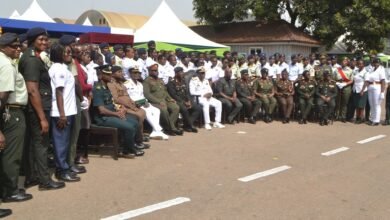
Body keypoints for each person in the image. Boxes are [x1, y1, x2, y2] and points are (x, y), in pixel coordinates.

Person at [19, 28, 65, 191]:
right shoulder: (32, 59)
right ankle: (45, 180)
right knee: (41, 144)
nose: (44, 42)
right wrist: (42, 118)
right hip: (38, 108)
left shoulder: (36, 57)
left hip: (38, 107)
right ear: (32, 40)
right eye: (41, 39)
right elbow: (32, 89)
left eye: (46, 40)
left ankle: (32, 177)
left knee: (33, 143)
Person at [0, 33, 33, 204]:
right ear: (3, 47)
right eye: (14, 46)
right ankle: (10, 191)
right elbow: (2, 96)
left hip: (9, 111)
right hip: (12, 112)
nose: (18, 48)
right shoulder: (6, 65)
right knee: (12, 154)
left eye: (19, 45)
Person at [93, 66, 144, 157]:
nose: (110, 76)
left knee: (135, 122)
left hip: (112, 114)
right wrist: (116, 114)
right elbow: (102, 110)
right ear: (100, 75)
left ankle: (128, 145)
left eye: (110, 74)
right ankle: (128, 150)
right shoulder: (98, 89)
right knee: (129, 127)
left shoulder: (106, 88)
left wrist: (121, 109)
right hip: (103, 118)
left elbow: (112, 102)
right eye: (107, 74)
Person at [48, 43, 80, 182]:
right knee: (61, 143)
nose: (68, 54)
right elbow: (59, 92)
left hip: (68, 110)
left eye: (69, 52)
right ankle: (61, 170)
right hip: (62, 112)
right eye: (65, 52)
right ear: (58, 54)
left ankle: (65, 166)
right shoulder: (58, 69)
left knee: (65, 142)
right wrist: (62, 114)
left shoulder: (62, 68)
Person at [107, 66, 150, 149]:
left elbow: (127, 96)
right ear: (112, 74)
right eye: (119, 72)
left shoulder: (121, 84)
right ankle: (135, 141)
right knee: (138, 116)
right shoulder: (111, 84)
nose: (122, 73)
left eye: (122, 71)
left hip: (129, 105)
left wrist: (133, 104)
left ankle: (138, 140)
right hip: (120, 107)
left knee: (142, 112)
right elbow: (116, 99)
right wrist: (130, 105)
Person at [124, 67, 169, 140]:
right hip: (134, 104)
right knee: (147, 112)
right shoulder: (127, 84)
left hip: (142, 102)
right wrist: (140, 103)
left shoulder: (140, 84)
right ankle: (158, 130)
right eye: (134, 73)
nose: (137, 74)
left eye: (138, 73)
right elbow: (128, 97)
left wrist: (145, 102)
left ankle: (155, 132)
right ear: (130, 74)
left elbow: (142, 96)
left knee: (156, 110)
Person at [143, 62, 183, 136]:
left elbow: (165, 91)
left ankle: (169, 127)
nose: (155, 72)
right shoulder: (146, 81)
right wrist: (158, 101)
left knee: (176, 107)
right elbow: (147, 94)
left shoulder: (160, 80)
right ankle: (171, 128)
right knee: (164, 110)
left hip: (164, 100)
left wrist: (170, 99)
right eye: (153, 70)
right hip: (154, 101)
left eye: (156, 70)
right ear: (149, 71)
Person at [167, 67, 201, 132]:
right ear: (176, 73)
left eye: (182, 72)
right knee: (184, 109)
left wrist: (188, 100)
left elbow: (186, 92)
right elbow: (173, 95)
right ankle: (190, 125)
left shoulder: (183, 81)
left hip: (185, 100)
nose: (182, 73)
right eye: (180, 72)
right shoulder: (171, 82)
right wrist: (184, 102)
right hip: (177, 101)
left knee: (198, 108)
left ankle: (187, 125)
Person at [361, 58, 386, 126]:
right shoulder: (371, 70)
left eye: (377, 63)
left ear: (379, 63)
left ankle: (376, 120)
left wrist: (382, 92)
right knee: (371, 104)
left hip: (377, 87)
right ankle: (372, 119)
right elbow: (367, 80)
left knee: (376, 104)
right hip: (370, 87)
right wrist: (363, 89)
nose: (375, 64)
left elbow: (383, 81)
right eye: (374, 63)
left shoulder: (381, 69)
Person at [334, 57, 353, 122]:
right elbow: (333, 79)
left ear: (347, 62)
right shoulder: (336, 70)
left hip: (346, 87)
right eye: (342, 61)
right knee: (338, 101)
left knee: (345, 102)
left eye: (345, 61)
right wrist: (337, 83)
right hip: (338, 86)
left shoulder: (350, 70)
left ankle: (343, 116)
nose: (343, 62)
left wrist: (345, 84)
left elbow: (352, 80)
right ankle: (337, 115)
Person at [351, 60, 368, 124]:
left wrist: (362, 90)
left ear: (363, 65)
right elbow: (353, 79)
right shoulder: (355, 71)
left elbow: (366, 82)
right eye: (358, 64)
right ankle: (358, 117)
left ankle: (361, 118)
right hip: (355, 89)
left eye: (361, 64)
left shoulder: (365, 72)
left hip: (362, 90)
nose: (359, 65)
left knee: (361, 105)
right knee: (357, 104)